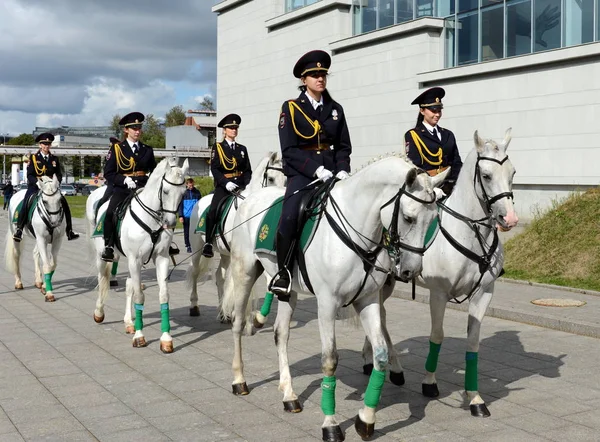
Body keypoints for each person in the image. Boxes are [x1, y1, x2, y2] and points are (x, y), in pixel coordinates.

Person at [270, 50, 352, 299]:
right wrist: (315, 169)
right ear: (303, 80)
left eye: (323, 74)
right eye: (314, 75)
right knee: (289, 215)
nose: (320, 78)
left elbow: (343, 145)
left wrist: (342, 170)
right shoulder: (291, 108)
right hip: (303, 175)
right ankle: (283, 273)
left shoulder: (335, 109)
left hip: (332, 174)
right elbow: (289, 150)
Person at [101, 112, 157, 262]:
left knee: (162, 210)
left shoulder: (147, 149)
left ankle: (166, 243)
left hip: (144, 187)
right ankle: (109, 245)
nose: (137, 131)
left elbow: (154, 171)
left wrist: (153, 180)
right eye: (133, 128)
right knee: (110, 213)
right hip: (124, 188)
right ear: (126, 130)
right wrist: (124, 180)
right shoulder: (117, 149)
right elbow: (108, 173)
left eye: (139, 128)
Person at [201, 114, 252, 258]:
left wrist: (243, 184)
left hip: (240, 186)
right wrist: (226, 183)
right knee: (214, 210)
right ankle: (208, 243)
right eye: (231, 128)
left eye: (235, 128)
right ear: (224, 130)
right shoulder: (218, 147)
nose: (234, 130)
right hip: (224, 186)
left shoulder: (242, 149)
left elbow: (248, 170)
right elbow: (215, 169)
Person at [13, 133, 80, 242]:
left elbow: (59, 174)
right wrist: (36, 182)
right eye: (44, 144)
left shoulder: (54, 159)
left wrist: (56, 181)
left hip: (51, 187)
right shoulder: (34, 158)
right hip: (36, 186)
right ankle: (19, 229)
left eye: (48, 144)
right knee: (26, 202)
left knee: (64, 203)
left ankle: (69, 230)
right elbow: (29, 174)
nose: (46, 146)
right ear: (40, 145)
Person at [404, 87, 462, 195]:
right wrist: (430, 187)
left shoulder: (448, 134)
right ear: (422, 111)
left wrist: (456, 183)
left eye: (439, 110)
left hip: (451, 186)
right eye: (433, 111)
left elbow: (456, 162)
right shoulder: (413, 135)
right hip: (428, 188)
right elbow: (414, 166)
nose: (437, 114)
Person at [178, 178, 202, 253]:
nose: (191, 186)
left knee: (196, 231)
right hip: (186, 216)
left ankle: (195, 244)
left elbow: (200, 203)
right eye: (189, 185)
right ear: (187, 184)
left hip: (195, 216)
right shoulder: (183, 193)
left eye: (192, 185)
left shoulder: (197, 192)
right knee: (187, 231)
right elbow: (180, 205)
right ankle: (188, 245)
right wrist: (180, 216)